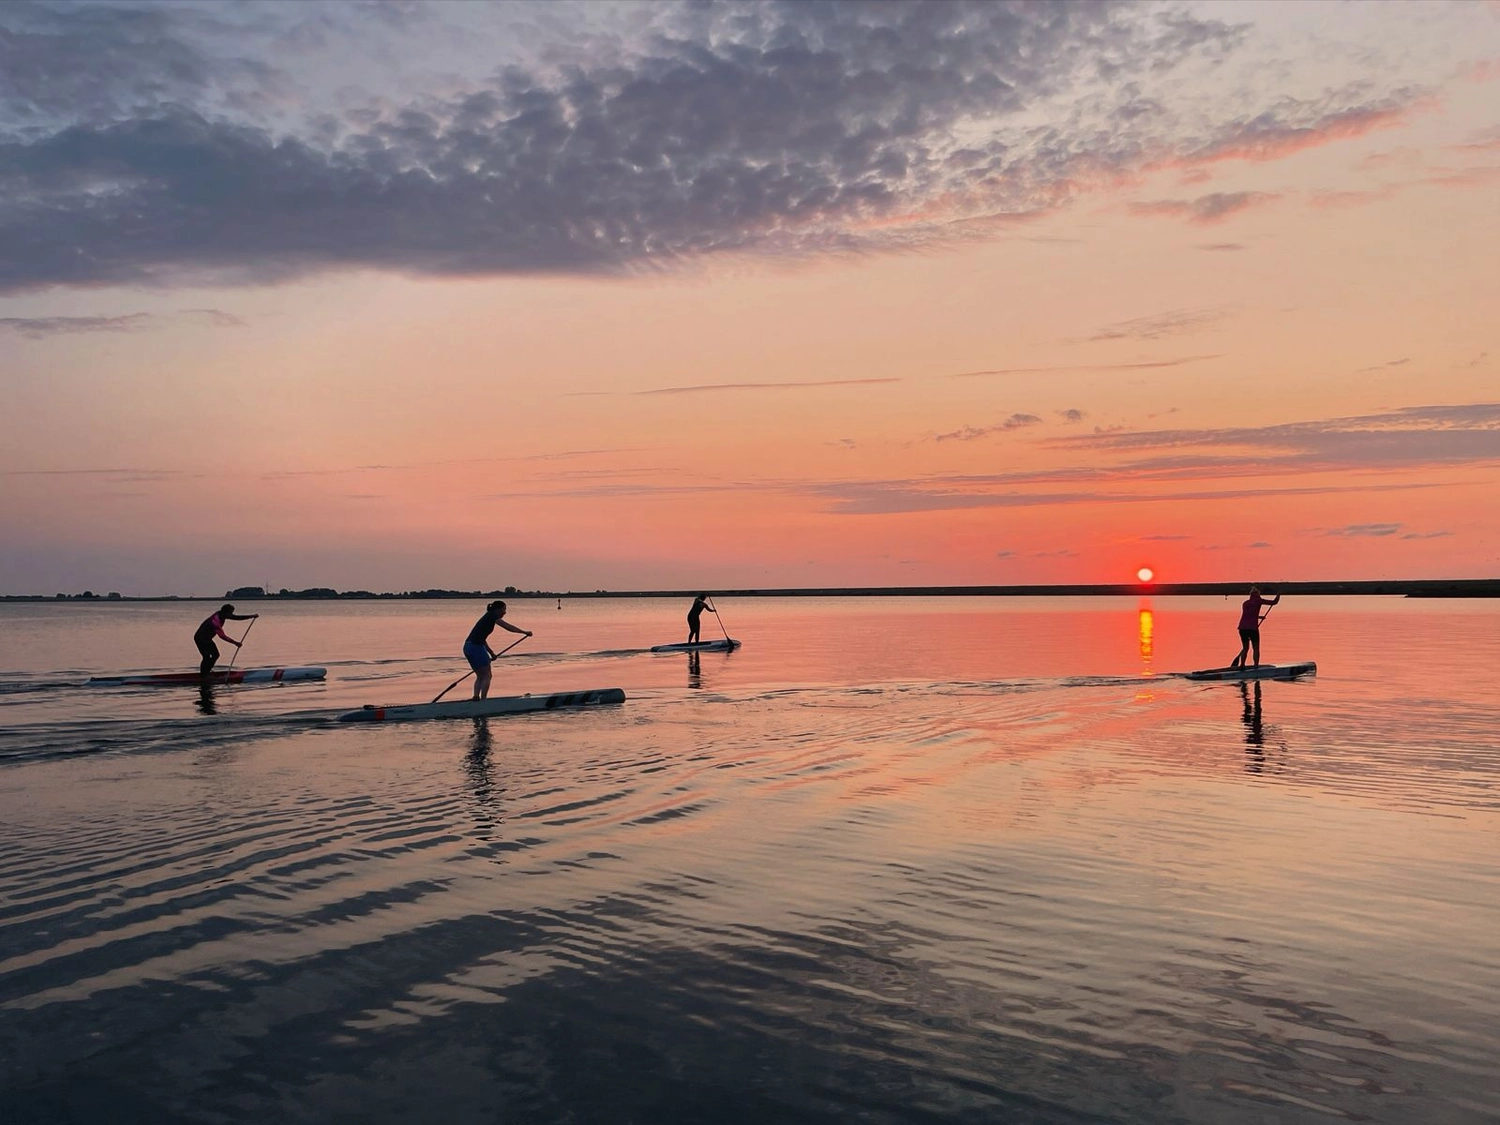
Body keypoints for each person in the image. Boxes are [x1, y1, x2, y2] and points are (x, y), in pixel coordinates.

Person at [464, 601, 532, 700]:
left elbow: (481, 639)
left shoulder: (487, 617)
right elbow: (508, 627)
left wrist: (491, 653)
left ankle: (476, 697)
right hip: (475, 647)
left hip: (468, 647)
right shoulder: (492, 616)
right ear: (497, 610)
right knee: (487, 675)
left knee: (480, 675)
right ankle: (483, 701)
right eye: (504, 609)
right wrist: (524, 632)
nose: (505, 612)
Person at [194, 603, 258, 676]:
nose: (231, 614)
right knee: (206, 657)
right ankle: (203, 675)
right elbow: (222, 636)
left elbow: (236, 617)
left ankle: (207, 671)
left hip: (208, 639)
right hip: (200, 639)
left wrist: (251, 616)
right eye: (231, 613)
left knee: (216, 655)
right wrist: (235, 643)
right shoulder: (215, 621)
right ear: (226, 612)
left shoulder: (222, 614)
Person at [1230, 586, 1280, 668]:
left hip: (1242, 628)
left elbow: (1249, 615)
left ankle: (1242, 665)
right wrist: (1278, 595)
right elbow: (1274, 602)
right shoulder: (1259, 600)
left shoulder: (1245, 603)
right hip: (1252, 629)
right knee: (1256, 648)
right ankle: (1256, 666)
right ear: (1257, 594)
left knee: (1245, 648)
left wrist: (1259, 617)